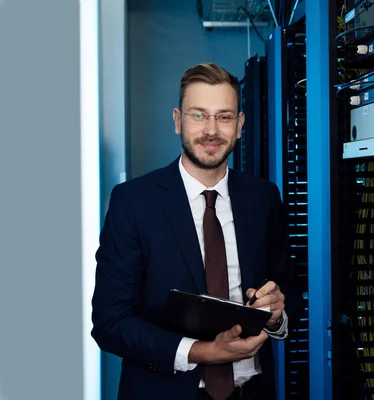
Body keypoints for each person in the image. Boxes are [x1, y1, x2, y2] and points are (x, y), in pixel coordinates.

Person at [91, 62, 299, 400]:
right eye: (198, 115)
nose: (211, 130)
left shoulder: (264, 198)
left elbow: (290, 296)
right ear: (177, 121)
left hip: (253, 392)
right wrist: (202, 352)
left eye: (224, 116)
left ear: (240, 125)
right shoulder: (134, 202)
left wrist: (277, 316)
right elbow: (111, 323)